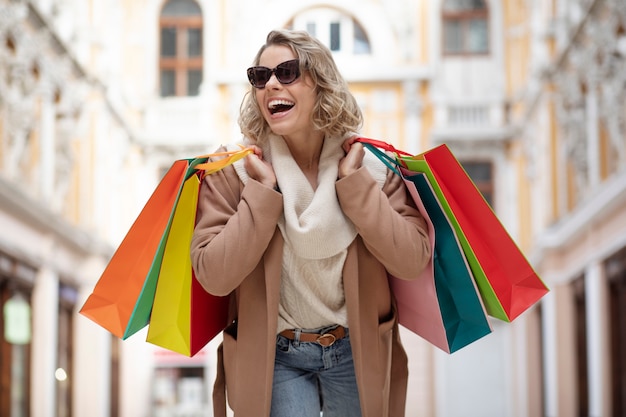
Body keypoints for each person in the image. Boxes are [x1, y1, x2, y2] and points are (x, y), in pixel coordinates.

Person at [190, 29, 431, 417]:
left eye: (287, 72)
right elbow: (213, 274)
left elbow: (411, 258)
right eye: (259, 76)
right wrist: (263, 192)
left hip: (356, 349)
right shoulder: (235, 172)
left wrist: (356, 188)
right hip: (276, 356)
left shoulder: (369, 166)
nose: (270, 84)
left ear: (321, 83)